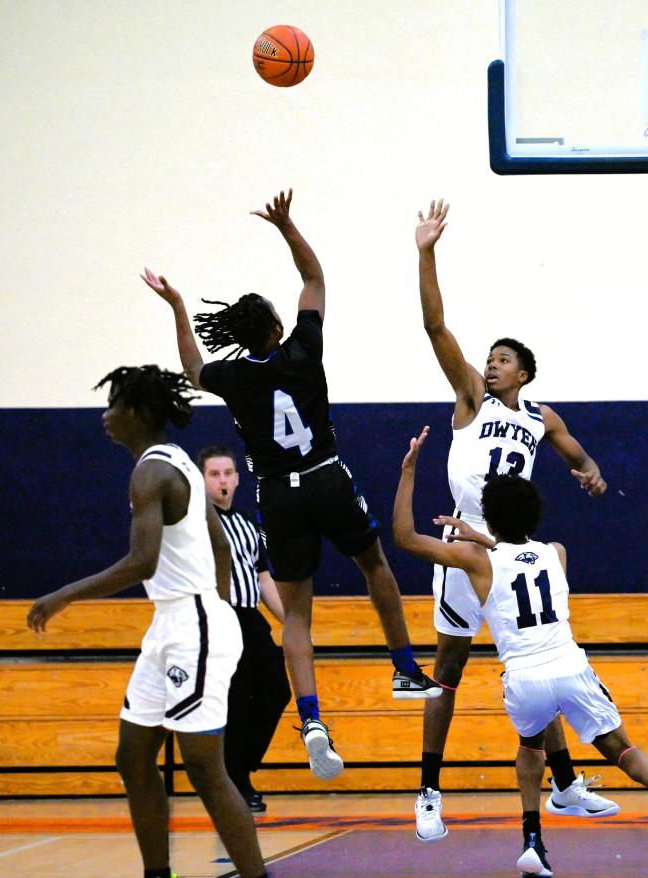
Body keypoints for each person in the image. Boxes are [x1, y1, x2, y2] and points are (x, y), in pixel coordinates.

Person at [142, 188, 440, 783]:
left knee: (297, 616)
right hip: (326, 475)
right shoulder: (303, 346)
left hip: (277, 494)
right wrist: (286, 225)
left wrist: (177, 305)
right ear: (278, 325)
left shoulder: (232, 376)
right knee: (375, 564)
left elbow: (190, 368)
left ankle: (310, 721)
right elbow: (315, 277)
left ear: (239, 336)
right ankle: (404, 664)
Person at [27, 365, 297, 878]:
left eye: (115, 403)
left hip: (192, 623)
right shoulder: (175, 461)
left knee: (204, 765)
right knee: (132, 754)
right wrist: (219, 601)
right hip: (176, 623)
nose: (106, 414)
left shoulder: (153, 469)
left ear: (139, 414)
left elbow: (141, 563)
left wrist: (63, 594)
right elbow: (219, 541)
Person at [393, 426, 648, 878]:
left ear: (488, 522)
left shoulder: (477, 560)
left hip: (525, 679)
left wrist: (409, 473)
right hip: (570, 667)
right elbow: (518, 553)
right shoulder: (557, 552)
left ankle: (533, 841)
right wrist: (487, 535)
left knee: (530, 747)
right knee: (619, 746)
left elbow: (406, 538)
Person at [412, 198, 617, 841]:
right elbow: (435, 328)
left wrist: (589, 473)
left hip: (509, 548)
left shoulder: (541, 416)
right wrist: (427, 252)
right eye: (490, 357)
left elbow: (577, 454)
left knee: (535, 663)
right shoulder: (471, 397)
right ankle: (428, 788)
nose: (491, 362)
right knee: (446, 670)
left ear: (523, 372)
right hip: (463, 542)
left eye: (502, 358)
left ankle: (563, 785)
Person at [198, 445, 291, 813]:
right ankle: (237, 781)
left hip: (251, 620)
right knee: (235, 704)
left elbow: (263, 578)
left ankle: (237, 769)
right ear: (202, 479)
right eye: (213, 474)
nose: (222, 480)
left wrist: (292, 621)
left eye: (227, 473)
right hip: (219, 619)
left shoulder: (248, 527)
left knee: (276, 692)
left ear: (238, 478)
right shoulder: (195, 525)